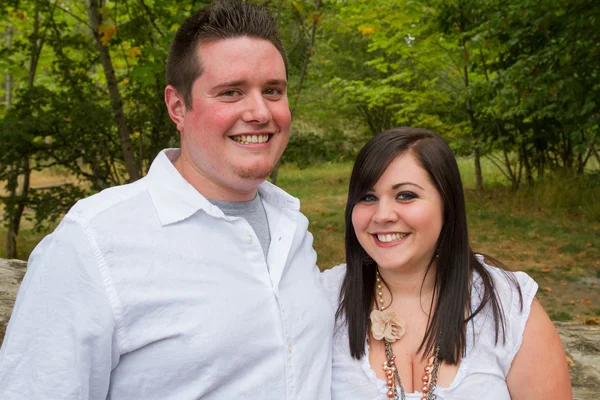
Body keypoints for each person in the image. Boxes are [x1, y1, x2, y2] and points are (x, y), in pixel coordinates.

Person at [0, 1, 333, 398]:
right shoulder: (92, 243)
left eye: (273, 91)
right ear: (178, 107)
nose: (260, 112)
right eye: (231, 92)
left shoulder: (292, 228)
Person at [322, 127, 572, 399]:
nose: (382, 215)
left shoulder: (509, 304)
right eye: (367, 197)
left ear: (447, 205)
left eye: (406, 195)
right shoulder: (323, 300)